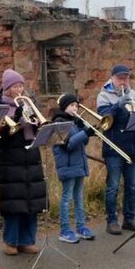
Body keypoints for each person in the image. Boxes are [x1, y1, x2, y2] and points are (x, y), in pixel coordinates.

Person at [0, 69, 47, 255]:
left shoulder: (26, 104)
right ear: (7, 88)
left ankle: (27, 239)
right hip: (10, 159)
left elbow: (38, 129)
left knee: (31, 201)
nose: (19, 89)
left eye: (21, 85)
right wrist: (16, 116)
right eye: (15, 86)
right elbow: (1, 136)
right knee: (14, 202)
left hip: (30, 156)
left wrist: (37, 122)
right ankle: (11, 240)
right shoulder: (0, 106)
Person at [97, 64, 135, 234]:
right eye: (120, 78)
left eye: (126, 78)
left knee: (132, 187)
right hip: (113, 148)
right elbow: (104, 119)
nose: (123, 81)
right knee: (113, 187)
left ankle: (129, 219)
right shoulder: (103, 95)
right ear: (113, 79)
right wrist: (118, 105)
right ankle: (112, 221)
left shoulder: (134, 95)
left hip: (132, 147)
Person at [51, 93, 93, 243]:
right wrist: (84, 133)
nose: (75, 108)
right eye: (71, 105)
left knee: (79, 199)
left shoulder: (75, 122)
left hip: (79, 164)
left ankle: (81, 228)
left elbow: (83, 143)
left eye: (76, 105)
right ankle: (64, 230)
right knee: (66, 198)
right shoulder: (59, 123)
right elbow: (68, 145)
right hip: (68, 166)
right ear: (64, 107)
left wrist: (86, 132)